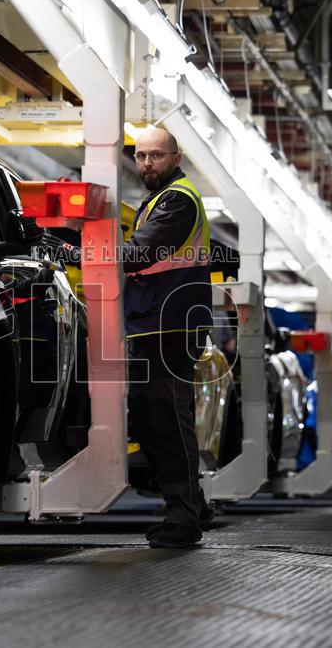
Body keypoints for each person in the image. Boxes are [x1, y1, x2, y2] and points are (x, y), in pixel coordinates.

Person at [123, 127, 213, 548]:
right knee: (148, 416)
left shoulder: (178, 199)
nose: (146, 164)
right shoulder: (157, 200)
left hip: (172, 324)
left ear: (176, 158)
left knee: (167, 420)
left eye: (155, 156)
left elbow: (139, 252)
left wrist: (80, 253)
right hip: (155, 321)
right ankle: (192, 502)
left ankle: (183, 516)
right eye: (140, 156)